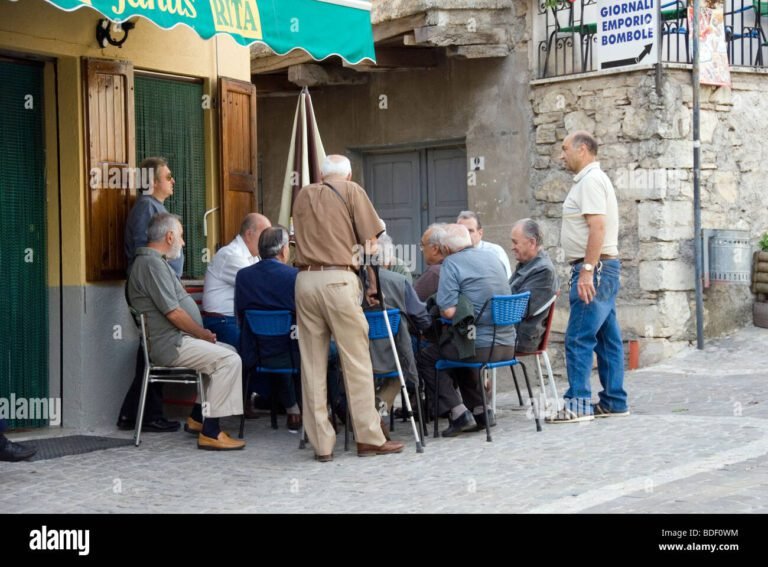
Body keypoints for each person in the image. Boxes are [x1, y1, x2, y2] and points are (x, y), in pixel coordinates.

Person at [293, 154, 404, 461]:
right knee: (355, 360)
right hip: (339, 280)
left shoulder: (302, 194)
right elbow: (370, 244)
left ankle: (322, 445)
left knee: (312, 364)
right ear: (349, 174)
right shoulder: (352, 191)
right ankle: (368, 437)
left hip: (304, 280)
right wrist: (370, 281)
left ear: (321, 174)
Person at [127, 213, 245, 450]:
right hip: (171, 344)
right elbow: (174, 313)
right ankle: (211, 431)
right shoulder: (150, 265)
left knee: (228, 350)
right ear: (169, 236)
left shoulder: (155, 262)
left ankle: (198, 418)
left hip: (178, 339)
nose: (182, 243)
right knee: (229, 360)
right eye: (180, 237)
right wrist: (202, 334)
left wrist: (200, 334)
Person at [549, 130, 629, 423]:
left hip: (594, 268)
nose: (561, 154)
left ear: (582, 149)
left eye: (564, 148)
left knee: (579, 336)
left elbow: (597, 227)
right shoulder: (592, 180)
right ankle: (614, 401)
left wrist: (586, 271)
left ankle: (578, 404)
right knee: (608, 338)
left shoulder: (590, 181)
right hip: (603, 268)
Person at [428, 224, 514, 436]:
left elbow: (447, 311)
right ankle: (482, 411)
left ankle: (458, 413)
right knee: (461, 344)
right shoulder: (492, 258)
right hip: (508, 344)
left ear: (446, 248)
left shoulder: (451, 263)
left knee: (429, 356)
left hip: (482, 347)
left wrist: (467, 309)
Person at [117, 157, 181, 433]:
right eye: (168, 177)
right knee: (152, 348)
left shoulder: (155, 207)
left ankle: (133, 414)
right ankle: (146, 413)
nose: (173, 181)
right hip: (152, 289)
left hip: (159, 286)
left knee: (149, 349)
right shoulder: (146, 207)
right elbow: (145, 250)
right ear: (153, 182)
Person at [202, 213, 271, 349]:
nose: (267, 241)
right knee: (259, 349)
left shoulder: (254, 257)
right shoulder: (231, 255)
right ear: (249, 234)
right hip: (221, 322)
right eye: (264, 235)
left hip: (237, 320)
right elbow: (261, 287)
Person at [509, 218, 560, 353]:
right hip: (510, 333)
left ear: (532, 243)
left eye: (515, 242)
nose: (512, 247)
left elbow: (518, 309)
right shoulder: (528, 264)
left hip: (520, 338)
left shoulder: (543, 270)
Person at [456, 210, 512, 278]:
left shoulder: (495, 252)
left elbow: (507, 279)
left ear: (480, 233)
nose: (466, 235)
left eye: (470, 231)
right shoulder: (453, 255)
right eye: (462, 231)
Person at [413, 223, 448, 302]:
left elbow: (412, 302)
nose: (421, 250)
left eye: (422, 245)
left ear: (435, 249)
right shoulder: (454, 266)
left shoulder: (434, 272)